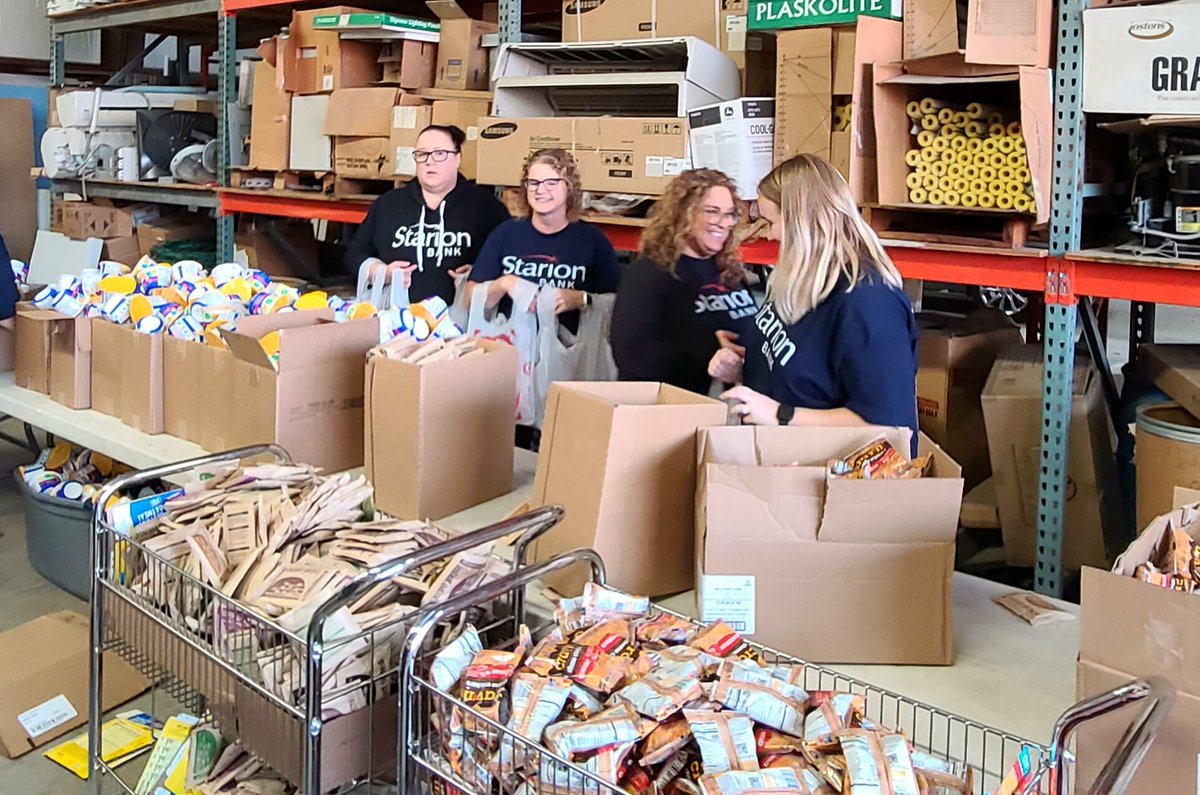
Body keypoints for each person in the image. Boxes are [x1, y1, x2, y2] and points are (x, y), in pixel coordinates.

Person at [710, 153, 918, 448]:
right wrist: (743, 366)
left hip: (824, 480)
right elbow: (804, 360)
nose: (769, 235)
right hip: (779, 461)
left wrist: (779, 414)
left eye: (771, 222)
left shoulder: (868, 305)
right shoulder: (800, 278)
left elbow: (887, 425)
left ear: (802, 223)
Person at [610, 169, 757, 394]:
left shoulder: (729, 272)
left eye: (729, 214)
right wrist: (709, 351)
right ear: (684, 214)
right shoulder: (649, 274)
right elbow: (632, 357)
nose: (722, 223)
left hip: (733, 406)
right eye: (712, 211)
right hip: (675, 409)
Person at [344, 124, 510, 303]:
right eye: (422, 154)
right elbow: (354, 254)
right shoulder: (389, 205)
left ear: (458, 158)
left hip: (462, 323)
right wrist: (379, 272)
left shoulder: (486, 207)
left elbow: (511, 260)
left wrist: (482, 273)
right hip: (399, 321)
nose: (429, 161)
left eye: (439, 153)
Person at [468, 148, 620, 332]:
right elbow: (469, 300)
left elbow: (616, 304)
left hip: (569, 352)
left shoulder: (592, 241)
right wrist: (504, 284)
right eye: (534, 183)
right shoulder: (505, 234)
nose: (541, 190)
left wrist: (581, 299)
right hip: (509, 348)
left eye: (551, 183)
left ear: (569, 187)